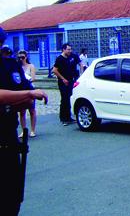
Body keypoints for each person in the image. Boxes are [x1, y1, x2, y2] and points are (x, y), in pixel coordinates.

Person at [0, 26, 48, 215]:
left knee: (11, 199)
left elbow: (29, 101)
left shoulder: (10, 65)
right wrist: (24, 94)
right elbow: (27, 94)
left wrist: (10, 102)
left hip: (9, 142)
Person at [52, 43, 80, 126]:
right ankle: (63, 118)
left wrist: (80, 74)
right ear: (63, 50)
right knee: (64, 99)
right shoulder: (59, 59)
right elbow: (55, 70)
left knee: (70, 98)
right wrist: (63, 79)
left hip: (72, 80)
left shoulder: (72, 56)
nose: (70, 51)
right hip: (63, 82)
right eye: (68, 49)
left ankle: (69, 117)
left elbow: (80, 63)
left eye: (70, 49)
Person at [17, 50, 38, 138]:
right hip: (21, 89)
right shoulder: (17, 67)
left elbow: (33, 78)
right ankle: (23, 130)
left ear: (26, 57)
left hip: (29, 88)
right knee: (22, 111)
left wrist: (26, 80)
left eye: (23, 57)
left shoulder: (30, 66)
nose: (21, 59)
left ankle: (33, 130)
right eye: (19, 57)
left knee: (32, 110)